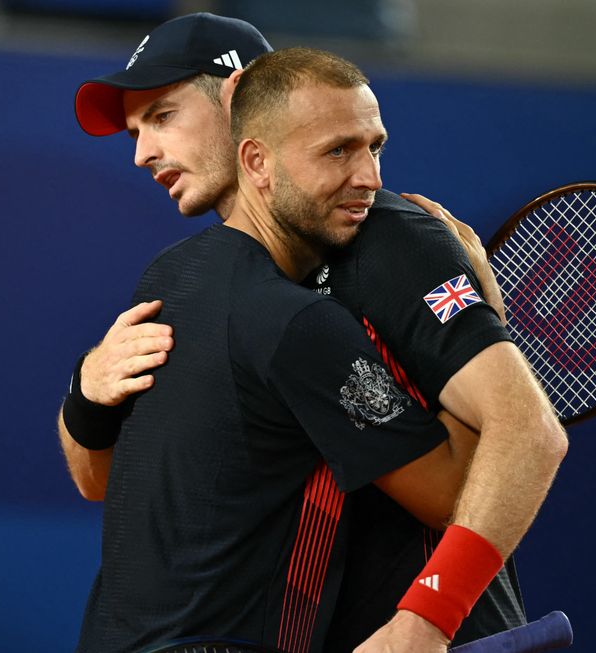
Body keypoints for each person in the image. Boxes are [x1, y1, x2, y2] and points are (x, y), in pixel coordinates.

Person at [61, 13, 567, 652]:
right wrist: (87, 387)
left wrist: (427, 619)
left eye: (163, 116)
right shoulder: (204, 279)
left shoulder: (389, 238)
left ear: (239, 94)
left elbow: (524, 432)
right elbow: (101, 481)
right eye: (137, 131)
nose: (142, 153)